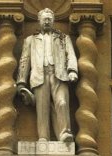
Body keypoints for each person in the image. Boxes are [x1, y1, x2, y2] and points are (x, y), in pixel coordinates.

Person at [16, 8, 78, 142]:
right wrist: (21, 82)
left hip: (59, 75)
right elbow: (24, 61)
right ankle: (43, 137)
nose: (47, 22)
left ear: (53, 21)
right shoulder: (30, 40)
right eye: (44, 19)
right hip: (39, 75)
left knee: (62, 103)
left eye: (50, 19)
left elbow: (70, 55)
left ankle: (65, 133)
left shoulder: (63, 38)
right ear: (39, 21)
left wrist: (72, 70)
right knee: (42, 108)